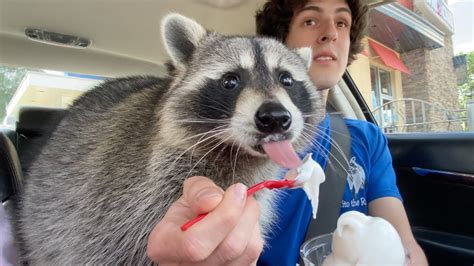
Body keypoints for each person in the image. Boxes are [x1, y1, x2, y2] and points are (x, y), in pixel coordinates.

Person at [147, 0, 428, 265]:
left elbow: (406, 246)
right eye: (310, 20)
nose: (330, 33)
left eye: (341, 23)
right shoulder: (208, 151)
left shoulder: (366, 139)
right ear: (282, 37)